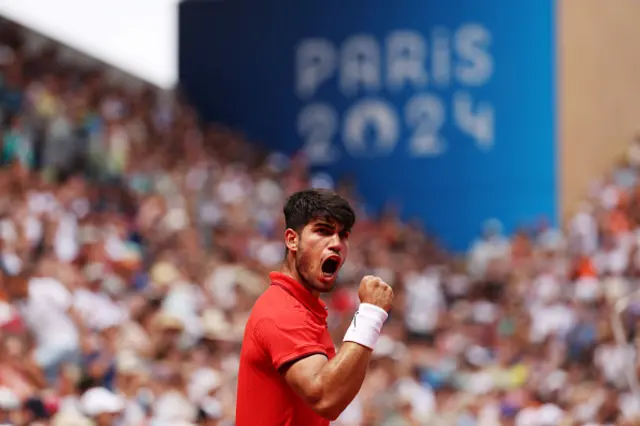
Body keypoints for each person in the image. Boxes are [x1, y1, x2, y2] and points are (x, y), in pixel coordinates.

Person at [236, 188, 394, 426]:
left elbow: (333, 399)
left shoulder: (306, 309)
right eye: (323, 231)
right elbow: (325, 398)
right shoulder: (282, 310)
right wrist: (370, 315)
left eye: (344, 235)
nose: (337, 244)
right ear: (292, 239)